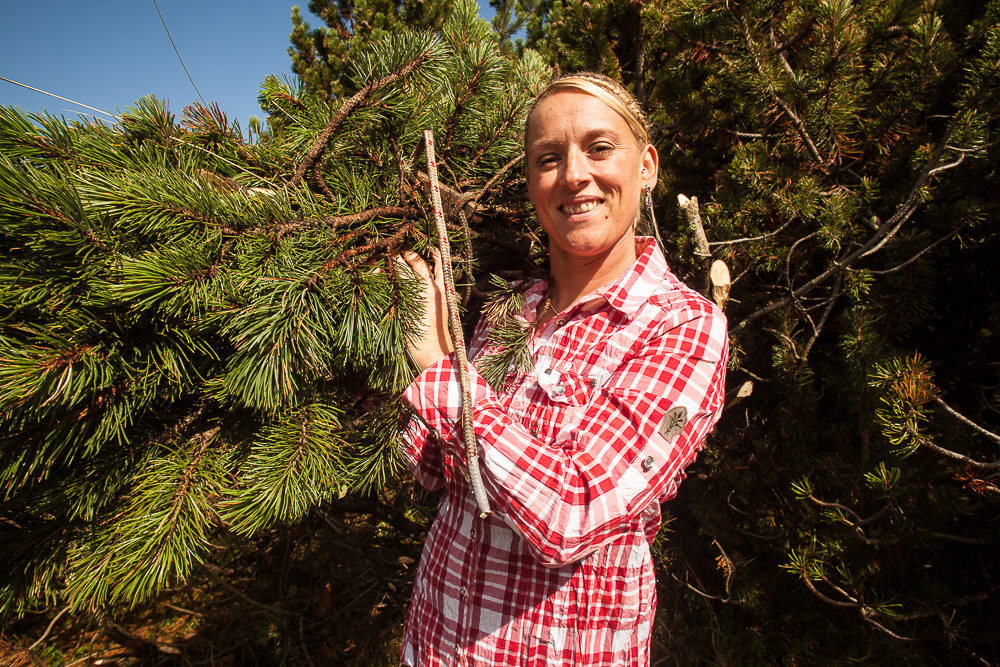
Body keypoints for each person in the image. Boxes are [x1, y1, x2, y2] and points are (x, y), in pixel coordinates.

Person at [398, 72, 728, 667]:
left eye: (599, 148)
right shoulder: (512, 307)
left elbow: (573, 512)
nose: (574, 174)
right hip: (435, 644)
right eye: (549, 158)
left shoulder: (682, 327)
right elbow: (441, 472)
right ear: (532, 182)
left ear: (647, 166)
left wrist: (437, 369)